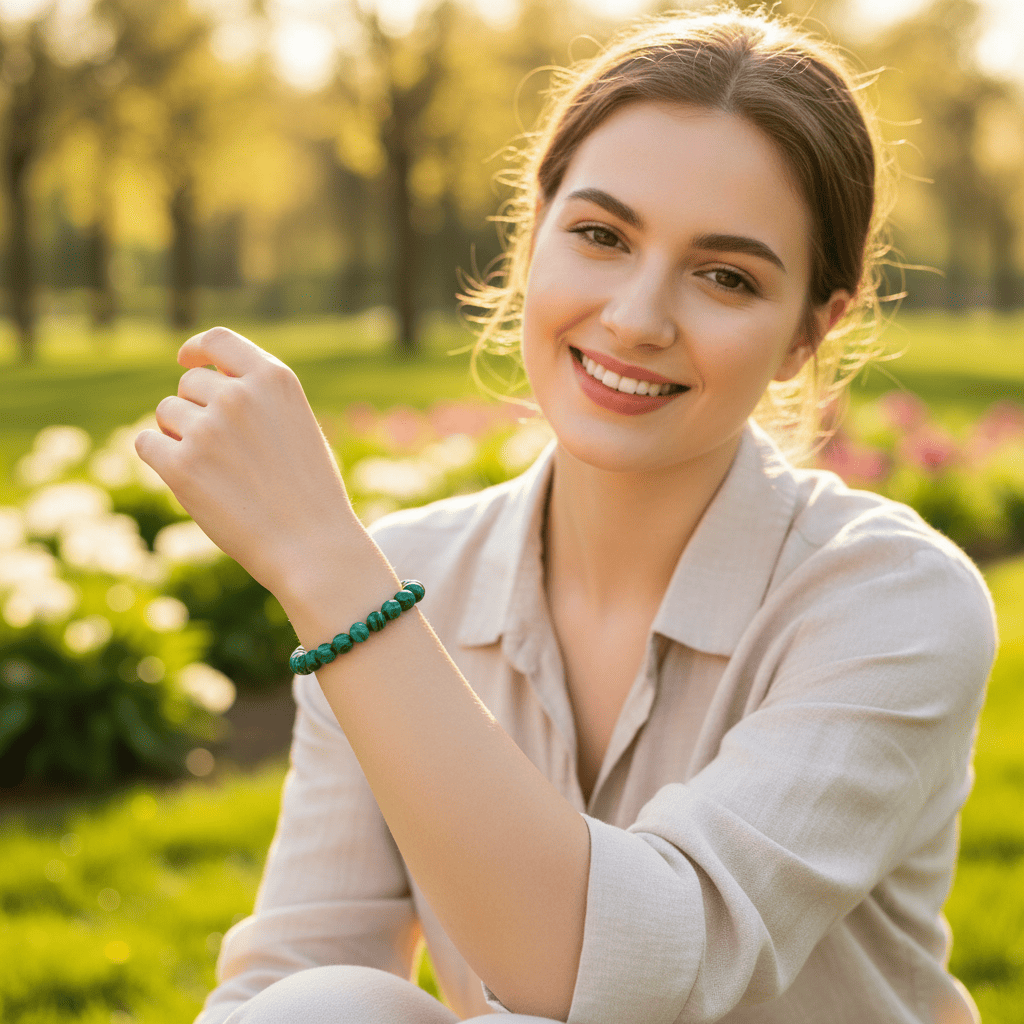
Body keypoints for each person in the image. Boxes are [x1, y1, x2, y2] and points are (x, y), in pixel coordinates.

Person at [136, 7, 997, 1023]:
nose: (636, 317)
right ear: (528, 234)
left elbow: (639, 972)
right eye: (600, 234)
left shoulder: (891, 602)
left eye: (725, 276)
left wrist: (324, 564)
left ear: (811, 329)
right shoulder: (411, 572)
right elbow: (293, 972)